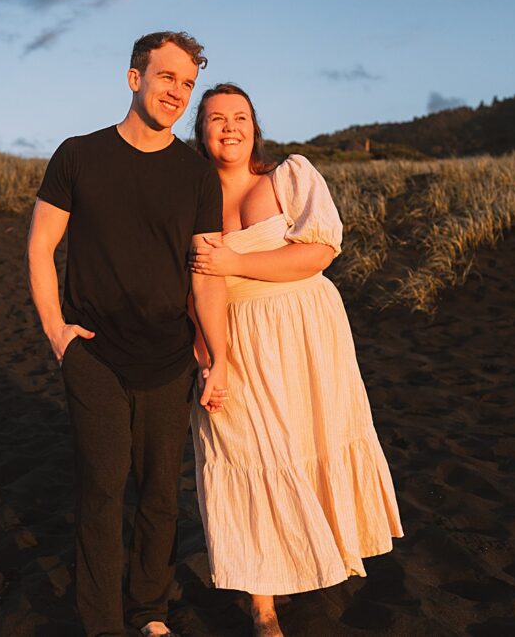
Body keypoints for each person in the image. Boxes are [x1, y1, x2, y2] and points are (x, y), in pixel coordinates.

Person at [26, 32, 229, 637]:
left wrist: (218, 355)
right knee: (103, 488)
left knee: (162, 494)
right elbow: (40, 246)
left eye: (187, 84)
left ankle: (149, 611)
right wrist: (57, 333)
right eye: (168, 77)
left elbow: (205, 271)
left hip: (168, 356)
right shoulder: (78, 155)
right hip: (94, 354)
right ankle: (102, 623)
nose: (177, 92)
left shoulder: (196, 176)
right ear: (134, 78)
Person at [188, 84, 404, 636]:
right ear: (201, 130)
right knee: (246, 452)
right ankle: (263, 604)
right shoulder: (189, 195)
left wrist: (236, 258)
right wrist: (211, 356)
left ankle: (315, 556)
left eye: (240, 117)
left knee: (306, 440)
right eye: (216, 119)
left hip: (303, 329)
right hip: (229, 334)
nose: (229, 127)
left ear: (255, 127)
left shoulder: (288, 177)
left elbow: (319, 252)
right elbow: (192, 283)